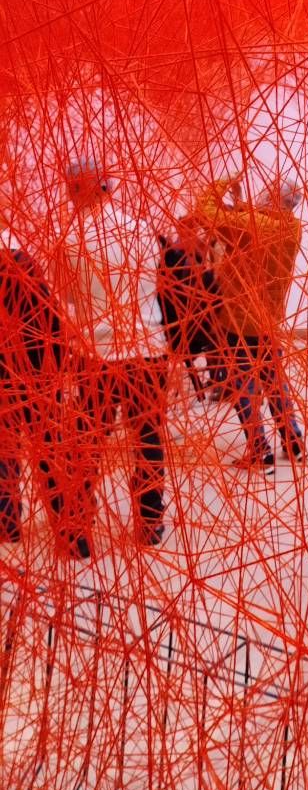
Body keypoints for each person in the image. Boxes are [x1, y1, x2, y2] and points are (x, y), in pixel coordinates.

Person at [59, 159, 168, 553]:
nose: (67, 195)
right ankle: (151, 525)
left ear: (79, 189)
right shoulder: (142, 230)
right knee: (149, 440)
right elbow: (153, 286)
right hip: (147, 351)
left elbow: (67, 300)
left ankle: (78, 532)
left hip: (96, 354)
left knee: (87, 445)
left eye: (71, 187)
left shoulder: (68, 238)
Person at [192, 173, 304, 469]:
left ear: (273, 198)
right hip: (268, 320)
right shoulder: (292, 227)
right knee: (275, 382)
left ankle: (259, 450)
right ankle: (293, 441)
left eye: (267, 191)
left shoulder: (256, 227)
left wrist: (223, 181)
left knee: (245, 387)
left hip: (239, 322)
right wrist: (239, 203)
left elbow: (203, 211)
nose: (262, 193)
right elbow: (245, 230)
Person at [0, 205, 66, 547]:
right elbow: (52, 322)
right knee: (48, 451)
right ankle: (68, 528)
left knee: (4, 450)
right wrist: (55, 368)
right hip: (35, 374)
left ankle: (7, 525)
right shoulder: (25, 265)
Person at [157, 215, 223, 400]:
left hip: (178, 331)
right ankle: (217, 381)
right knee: (217, 336)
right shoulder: (199, 257)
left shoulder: (171, 255)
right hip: (196, 329)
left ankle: (216, 381)